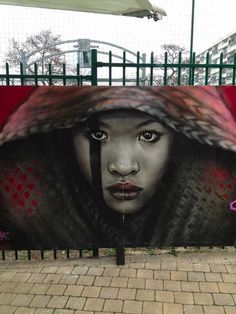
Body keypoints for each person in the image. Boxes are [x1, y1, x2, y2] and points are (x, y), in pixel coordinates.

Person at [0, 86, 236, 250]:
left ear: (180, 142)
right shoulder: (26, 224)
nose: (123, 166)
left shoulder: (215, 223)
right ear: (62, 140)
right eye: (98, 134)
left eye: (148, 135)